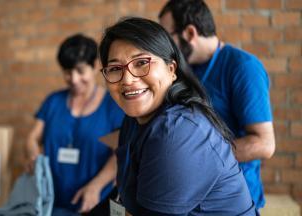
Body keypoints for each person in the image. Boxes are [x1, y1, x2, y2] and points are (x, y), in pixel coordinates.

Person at [99, 17, 256, 215]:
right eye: (115, 69)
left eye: (141, 63)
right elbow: (123, 198)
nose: (128, 79)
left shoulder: (177, 129)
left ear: (171, 70)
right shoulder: (133, 120)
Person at [158, 0, 275, 210]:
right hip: (192, 198)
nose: (165, 49)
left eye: (168, 38)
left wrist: (195, 157)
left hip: (233, 202)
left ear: (190, 33)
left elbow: (264, 144)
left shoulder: (243, 67)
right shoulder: (185, 69)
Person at [23, 33, 124, 215]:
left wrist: (96, 186)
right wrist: (33, 156)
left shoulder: (112, 105)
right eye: (68, 72)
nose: (74, 79)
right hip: (52, 201)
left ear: (95, 66)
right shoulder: (53, 101)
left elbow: (120, 153)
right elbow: (32, 137)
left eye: (80, 71)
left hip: (94, 203)